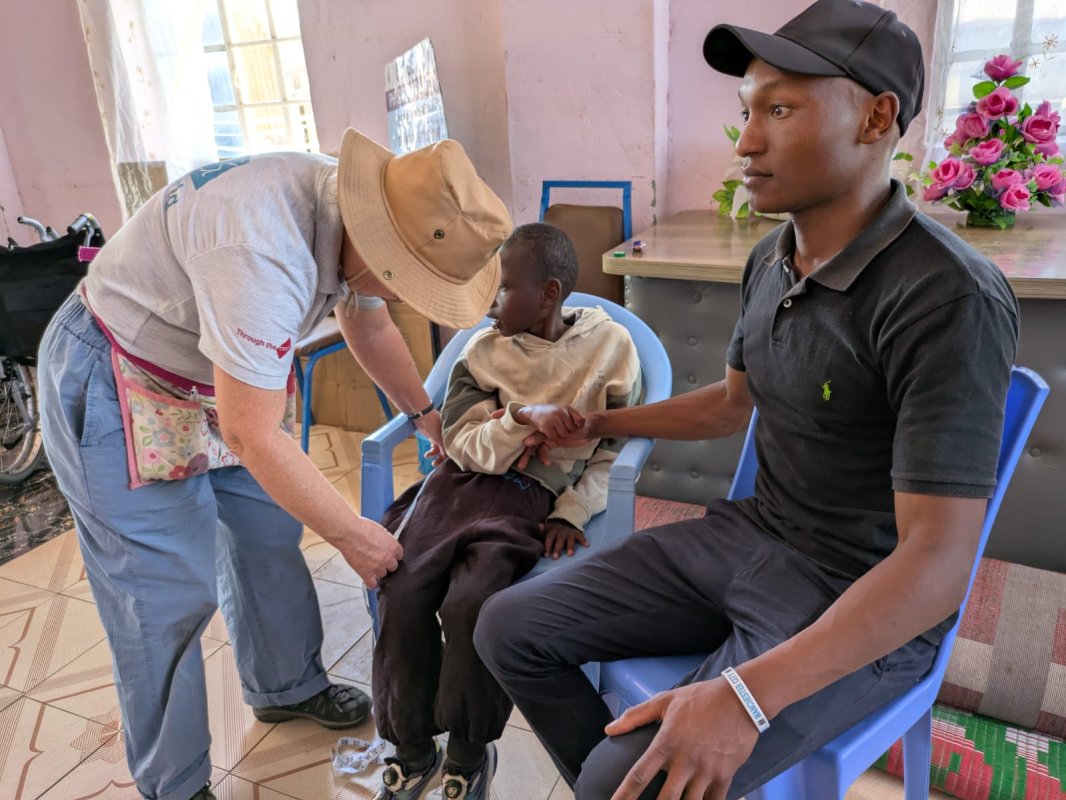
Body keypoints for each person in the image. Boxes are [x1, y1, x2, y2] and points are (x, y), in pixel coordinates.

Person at [473, 2, 1021, 799]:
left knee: (622, 781)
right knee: (507, 626)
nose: (748, 142)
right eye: (746, 112)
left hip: (859, 593)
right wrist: (596, 424)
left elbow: (936, 563)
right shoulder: (772, 258)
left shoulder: (947, 297)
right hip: (752, 538)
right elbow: (732, 405)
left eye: (780, 109)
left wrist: (744, 696)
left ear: (876, 117)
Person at [37, 129, 512, 800]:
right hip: (123, 371)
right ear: (380, 246)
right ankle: (174, 784)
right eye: (413, 287)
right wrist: (354, 537)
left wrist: (424, 415)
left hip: (221, 375)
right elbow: (254, 435)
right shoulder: (261, 251)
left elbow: (367, 319)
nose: (410, 300)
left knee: (266, 535)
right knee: (162, 593)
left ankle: (286, 685)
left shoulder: (365, 211)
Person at [370, 222, 642, 800]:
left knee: (472, 604)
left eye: (500, 289)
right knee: (400, 588)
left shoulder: (610, 349)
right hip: (454, 486)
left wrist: (572, 508)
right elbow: (461, 443)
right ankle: (411, 746)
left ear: (548, 293)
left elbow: (613, 448)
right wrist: (522, 419)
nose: (487, 304)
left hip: (528, 500)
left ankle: (469, 752)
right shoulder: (481, 349)